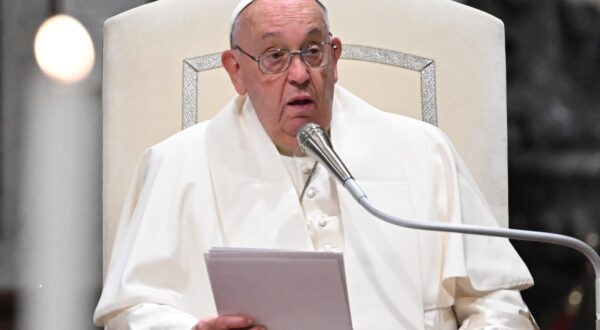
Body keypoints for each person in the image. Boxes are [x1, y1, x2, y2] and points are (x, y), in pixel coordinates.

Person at [94, 0, 538, 328]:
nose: (300, 74)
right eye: (273, 56)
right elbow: (131, 310)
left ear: (335, 57)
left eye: (312, 51)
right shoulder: (176, 165)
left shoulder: (423, 153)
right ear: (235, 71)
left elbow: (498, 299)